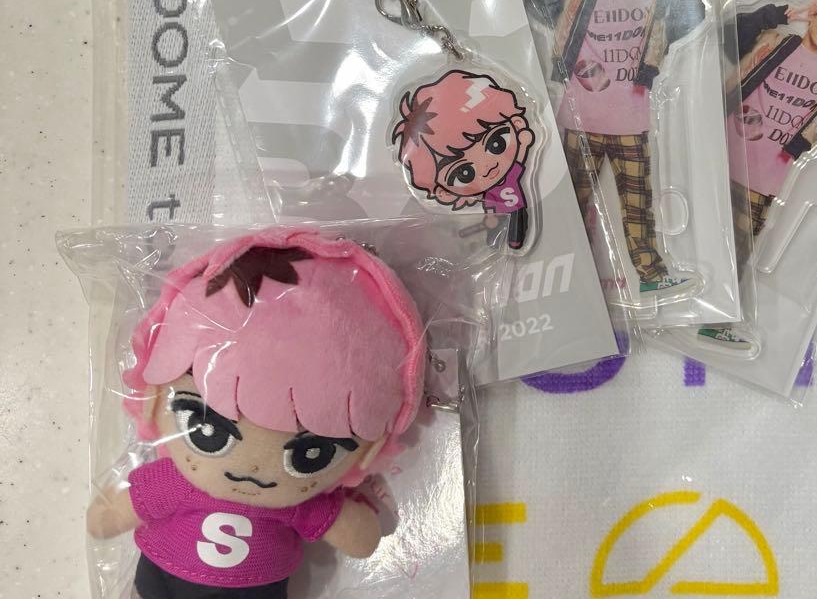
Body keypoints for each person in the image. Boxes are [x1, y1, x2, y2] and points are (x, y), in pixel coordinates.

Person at [85, 230, 427, 598]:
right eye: (207, 430)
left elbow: (359, 539)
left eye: (310, 454)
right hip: (163, 580)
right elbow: (110, 516)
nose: (251, 469)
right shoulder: (174, 484)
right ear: (152, 398)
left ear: (370, 449)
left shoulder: (299, 505)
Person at [526, 0, 706, 296]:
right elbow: (535, 2)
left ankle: (651, 275)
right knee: (572, 207)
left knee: (638, 207)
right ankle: (563, 277)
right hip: (580, 121)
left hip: (631, 122)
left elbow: (693, 14)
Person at [696, 0, 817, 346]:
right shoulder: (774, 43)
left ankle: (714, 321)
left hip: (765, 176)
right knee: (696, 231)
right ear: (812, 15)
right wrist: (775, 14)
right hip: (720, 153)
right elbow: (726, 36)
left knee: (737, 249)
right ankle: (672, 302)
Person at [393, 70, 537, 252]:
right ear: (442, 191)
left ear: (516, 124)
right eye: (464, 172)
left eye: (496, 143)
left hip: (516, 210)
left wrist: (522, 142)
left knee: (513, 237)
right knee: (494, 236)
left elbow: (521, 151)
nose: (486, 166)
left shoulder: (510, 176)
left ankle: (511, 241)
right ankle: (500, 239)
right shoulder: (484, 192)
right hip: (494, 216)